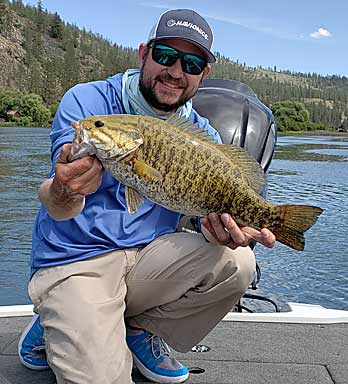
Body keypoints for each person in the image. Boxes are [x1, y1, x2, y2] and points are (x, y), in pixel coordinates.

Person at [18, 8, 276, 384]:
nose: (175, 71)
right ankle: (59, 316)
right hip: (77, 260)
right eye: (165, 56)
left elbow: (195, 211)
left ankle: (137, 328)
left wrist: (215, 230)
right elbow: (58, 201)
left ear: (203, 74)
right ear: (143, 54)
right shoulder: (88, 104)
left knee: (238, 262)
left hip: (146, 261)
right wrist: (64, 187)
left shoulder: (201, 133)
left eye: (191, 63)